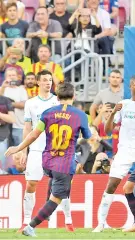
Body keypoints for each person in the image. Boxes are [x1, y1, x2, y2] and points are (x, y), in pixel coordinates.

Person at [5, 82, 92, 237]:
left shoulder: (47, 112)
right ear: (74, 96)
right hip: (64, 164)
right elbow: (87, 138)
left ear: (57, 97)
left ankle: (49, 202)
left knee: (55, 181)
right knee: (57, 198)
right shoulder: (80, 115)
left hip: (46, 160)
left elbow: (33, 134)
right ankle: (31, 226)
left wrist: (18, 148)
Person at [93, 75, 135, 232]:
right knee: (112, 184)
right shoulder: (123, 105)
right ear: (130, 87)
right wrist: (112, 113)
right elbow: (108, 130)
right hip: (125, 150)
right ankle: (100, 224)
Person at [19, 70, 74, 232]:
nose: (48, 82)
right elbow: (28, 128)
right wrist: (23, 149)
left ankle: (69, 221)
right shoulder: (30, 103)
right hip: (36, 149)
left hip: (56, 150)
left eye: (50, 80)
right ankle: (26, 221)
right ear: (38, 82)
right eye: (44, 80)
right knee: (31, 183)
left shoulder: (58, 102)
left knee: (62, 186)